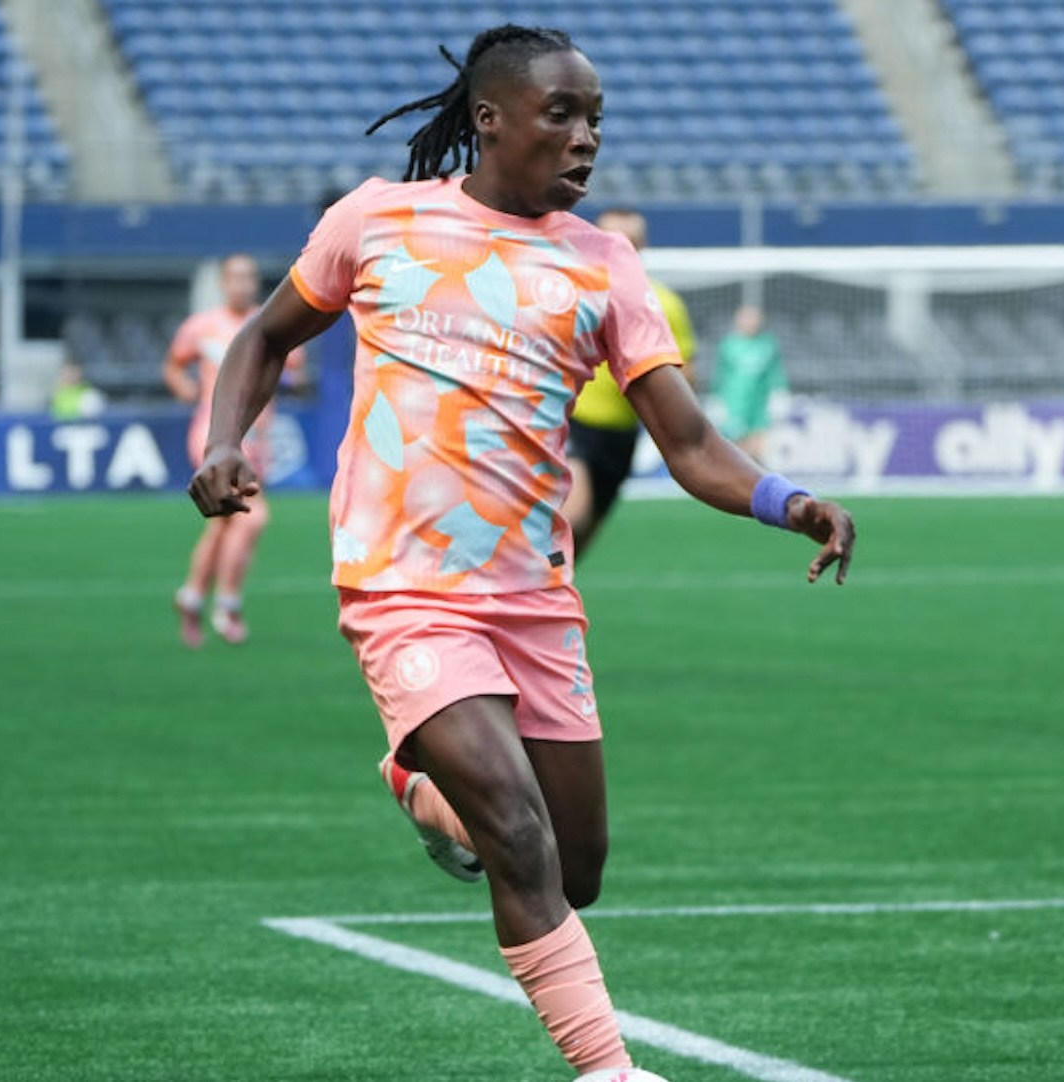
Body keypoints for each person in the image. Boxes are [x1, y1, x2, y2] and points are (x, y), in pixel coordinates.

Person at [187, 25, 854, 1080]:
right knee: (519, 835)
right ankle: (610, 1068)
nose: (586, 138)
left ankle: (418, 783)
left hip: (533, 597)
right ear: (490, 119)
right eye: (563, 115)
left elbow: (686, 441)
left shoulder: (604, 264)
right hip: (404, 588)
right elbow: (264, 337)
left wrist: (788, 499)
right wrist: (223, 440)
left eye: (595, 119)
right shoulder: (377, 220)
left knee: (572, 864)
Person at [164, 253, 305, 647]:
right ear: (224, 282)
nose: (243, 284)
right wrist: (184, 388)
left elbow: (294, 364)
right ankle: (227, 603)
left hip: (257, 436)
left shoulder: (269, 321)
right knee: (252, 516)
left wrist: (290, 375)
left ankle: (191, 597)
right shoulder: (202, 327)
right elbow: (173, 364)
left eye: (249, 277)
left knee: (224, 522)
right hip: (213, 435)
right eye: (236, 277)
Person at [559, 207, 697, 557]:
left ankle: (548, 601)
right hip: (571, 423)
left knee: (582, 542)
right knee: (572, 516)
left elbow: (684, 376)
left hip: (620, 438)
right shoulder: (568, 290)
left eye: (629, 242)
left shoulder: (664, 303)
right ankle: (523, 590)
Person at [712, 305, 787, 462]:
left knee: (759, 445)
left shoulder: (768, 344)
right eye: (746, 318)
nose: (751, 322)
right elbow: (720, 374)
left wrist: (780, 392)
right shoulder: (728, 345)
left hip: (760, 404)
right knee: (736, 447)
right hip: (735, 403)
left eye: (754, 318)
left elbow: (776, 373)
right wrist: (716, 398)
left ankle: (757, 479)